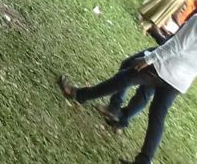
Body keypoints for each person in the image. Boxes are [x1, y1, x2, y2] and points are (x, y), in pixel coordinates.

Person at [58, 14, 197, 164]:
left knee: (125, 78)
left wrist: (149, 59)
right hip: (180, 80)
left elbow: (177, 45)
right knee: (157, 116)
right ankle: (144, 160)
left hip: (165, 67)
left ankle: (79, 95)